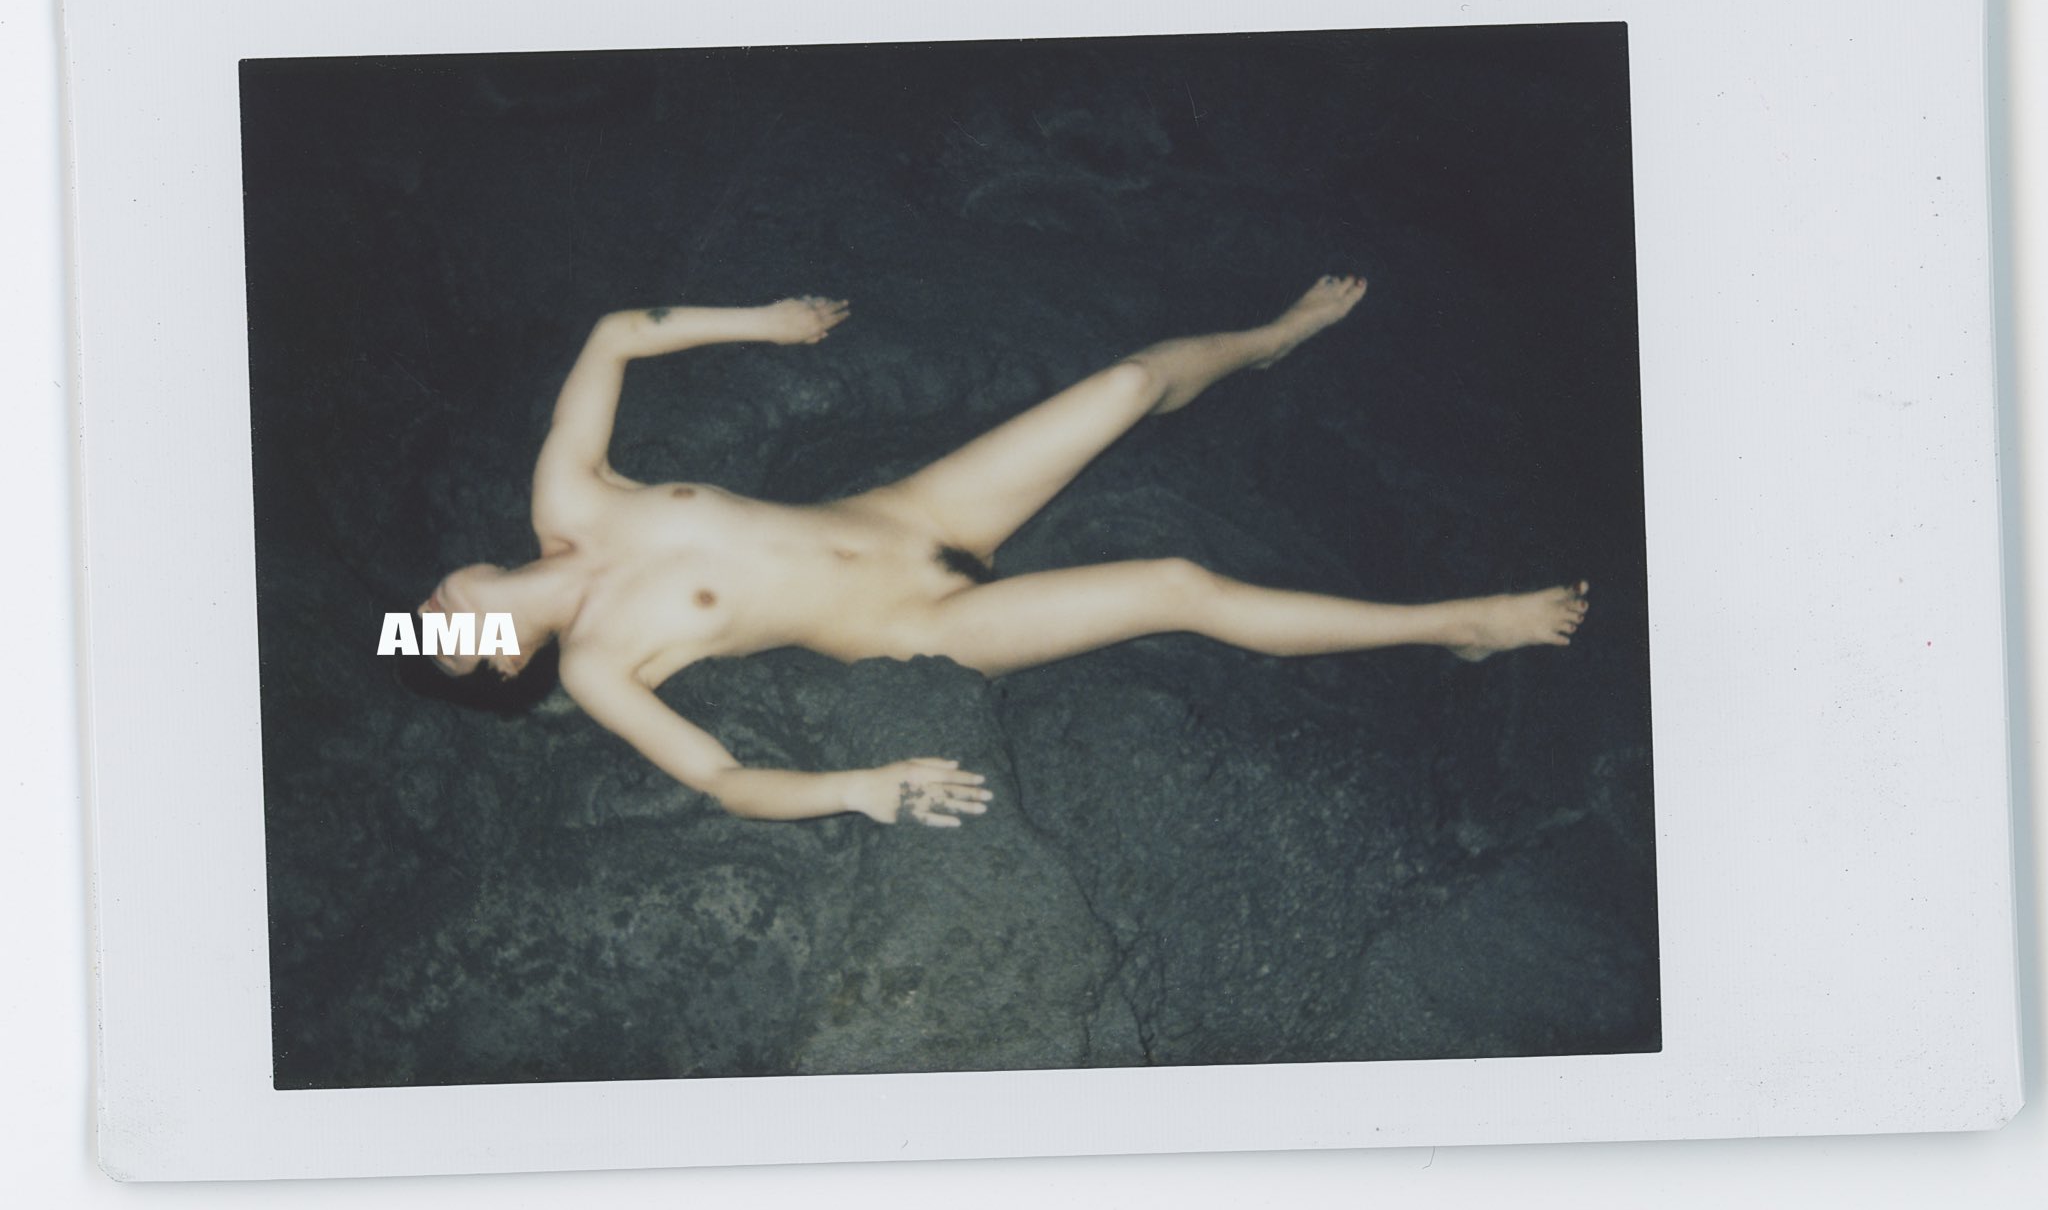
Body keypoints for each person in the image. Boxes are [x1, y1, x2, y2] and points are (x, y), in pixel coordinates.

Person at [415, 277, 1589, 827]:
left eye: (425, 609)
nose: (432, 609)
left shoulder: (564, 496)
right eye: (446, 639)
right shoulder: (596, 666)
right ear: (503, 662)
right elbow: (721, 780)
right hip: (917, 630)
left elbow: (611, 334)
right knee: (1174, 586)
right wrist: (855, 791)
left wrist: (764, 323)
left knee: (1127, 383)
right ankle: (1459, 627)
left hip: (912, 513)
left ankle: (1270, 338)